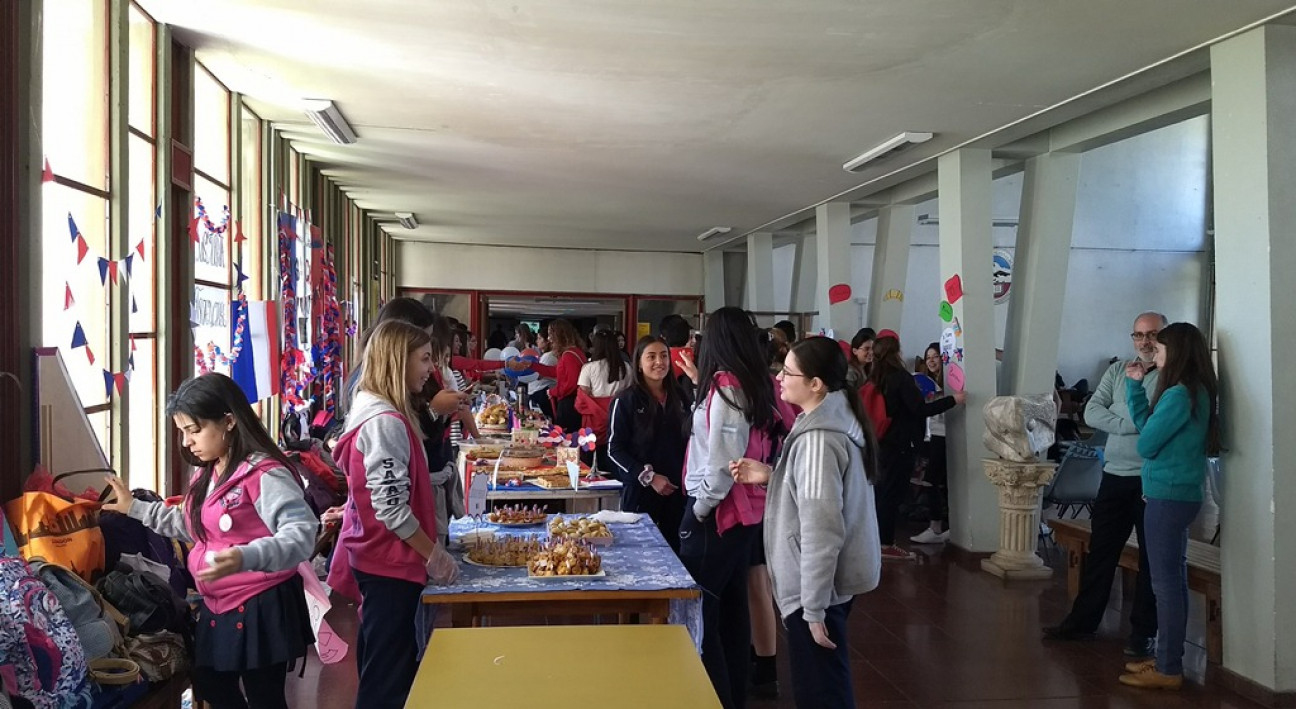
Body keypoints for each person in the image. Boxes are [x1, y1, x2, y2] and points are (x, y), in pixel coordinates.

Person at [103, 373, 318, 709]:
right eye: (183, 432)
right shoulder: (209, 471)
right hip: (220, 600)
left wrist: (246, 556)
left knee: (264, 696)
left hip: (262, 601)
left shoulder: (264, 473)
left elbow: (302, 535)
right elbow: (194, 526)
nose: (187, 442)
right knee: (210, 681)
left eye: (194, 430)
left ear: (229, 421)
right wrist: (135, 508)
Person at [732, 337, 882, 709]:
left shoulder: (818, 439)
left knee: (821, 692)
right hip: (820, 585)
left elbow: (822, 528)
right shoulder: (832, 420)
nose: (779, 378)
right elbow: (817, 496)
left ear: (816, 384)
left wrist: (813, 608)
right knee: (825, 683)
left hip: (813, 587)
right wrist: (773, 475)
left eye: (788, 372)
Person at [327, 321, 460, 709]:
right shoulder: (385, 421)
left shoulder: (379, 409)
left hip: (380, 558)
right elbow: (391, 508)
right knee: (388, 674)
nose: (429, 369)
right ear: (398, 360)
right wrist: (431, 553)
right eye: (423, 359)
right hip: (390, 562)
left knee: (381, 660)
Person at [1044, 312, 1166, 659]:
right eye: (1138, 335)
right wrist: (1131, 423)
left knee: (1150, 560)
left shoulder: (1171, 378)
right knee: (1100, 553)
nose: (1144, 342)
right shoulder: (1118, 371)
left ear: (1164, 337)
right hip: (1114, 474)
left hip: (1149, 478)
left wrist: (1123, 417)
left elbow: (1156, 423)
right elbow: (1091, 413)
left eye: (1152, 335)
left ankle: (1143, 633)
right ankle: (1082, 622)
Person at [681, 306, 785, 709]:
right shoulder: (752, 383)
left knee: (704, 615)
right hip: (745, 515)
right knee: (732, 613)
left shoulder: (727, 388)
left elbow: (724, 463)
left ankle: (715, 697)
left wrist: (700, 509)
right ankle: (734, 696)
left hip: (720, 515)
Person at [1119, 322, 1219, 691]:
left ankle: (1168, 668)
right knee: (1173, 582)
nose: (1153, 354)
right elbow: (1150, 428)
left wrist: (1147, 435)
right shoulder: (1196, 391)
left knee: (1165, 585)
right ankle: (1167, 659)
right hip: (1181, 494)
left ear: (1175, 352)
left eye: (1159, 349)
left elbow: (1145, 445)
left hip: (1167, 495)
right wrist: (1134, 387)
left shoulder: (1179, 394)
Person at [867, 330, 965, 560]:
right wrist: (953, 400)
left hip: (879, 442)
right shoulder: (900, 377)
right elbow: (919, 410)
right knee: (892, 495)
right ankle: (885, 544)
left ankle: (875, 541)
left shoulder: (875, 378)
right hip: (900, 444)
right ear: (896, 352)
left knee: (879, 494)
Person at [606, 337, 688, 551]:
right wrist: (648, 477)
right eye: (651, 357)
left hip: (677, 491)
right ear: (639, 364)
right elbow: (614, 449)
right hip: (641, 491)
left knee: (675, 553)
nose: (659, 362)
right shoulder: (625, 400)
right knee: (637, 552)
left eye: (664, 356)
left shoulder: (680, 397)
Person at [910, 342, 952, 544]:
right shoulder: (926, 383)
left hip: (948, 435)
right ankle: (937, 526)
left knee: (934, 480)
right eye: (928, 358)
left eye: (936, 356)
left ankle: (937, 527)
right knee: (931, 481)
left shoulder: (952, 382)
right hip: (932, 435)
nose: (932, 361)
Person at [577, 330, 633, 466]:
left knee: (593, 455)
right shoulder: (626, 367)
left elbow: (583, 396)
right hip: (618, 416)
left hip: (594, 420)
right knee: (616, 450)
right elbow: (629, 392)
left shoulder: (588, 368)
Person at [528, 318, 587, 431]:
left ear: (559, 335)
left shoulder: (569, 355)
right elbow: (556, 372)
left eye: (551, 335)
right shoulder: (573, 352)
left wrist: (553, 391)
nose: (549, 339)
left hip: (570, 405)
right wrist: (532, 365)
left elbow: (571, 384)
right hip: (571, 403)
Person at [527, 320, 558, 419]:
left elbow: (539, 375)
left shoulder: (549, 357)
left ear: (547, 340)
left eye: (539, 338)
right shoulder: (546, 355)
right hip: (539, 392)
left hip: (543, 394)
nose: (537, 341)